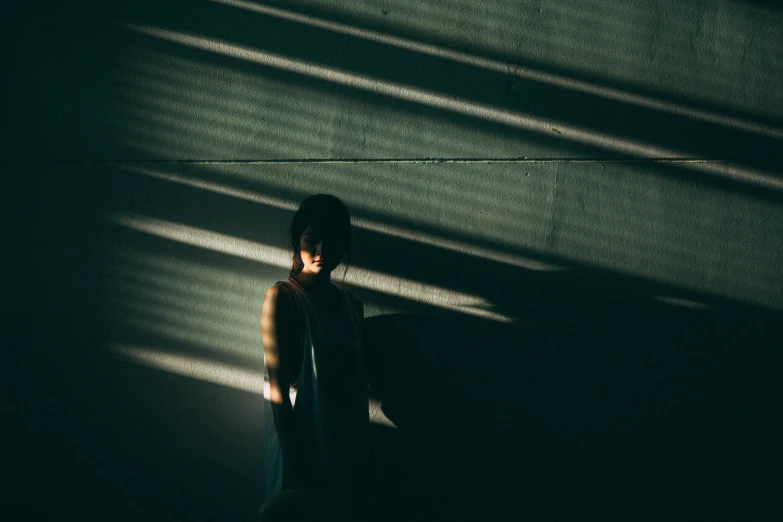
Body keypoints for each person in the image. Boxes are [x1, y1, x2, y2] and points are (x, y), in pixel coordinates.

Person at [258, 194, 375, 522]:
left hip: (348, 453)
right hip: (304, 452)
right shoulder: (284, 297)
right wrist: (294, 461)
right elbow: (277, 389)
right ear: (298, 241)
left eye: (333, 239)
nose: (322, 249)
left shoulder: (352, 307)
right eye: (312, 239)